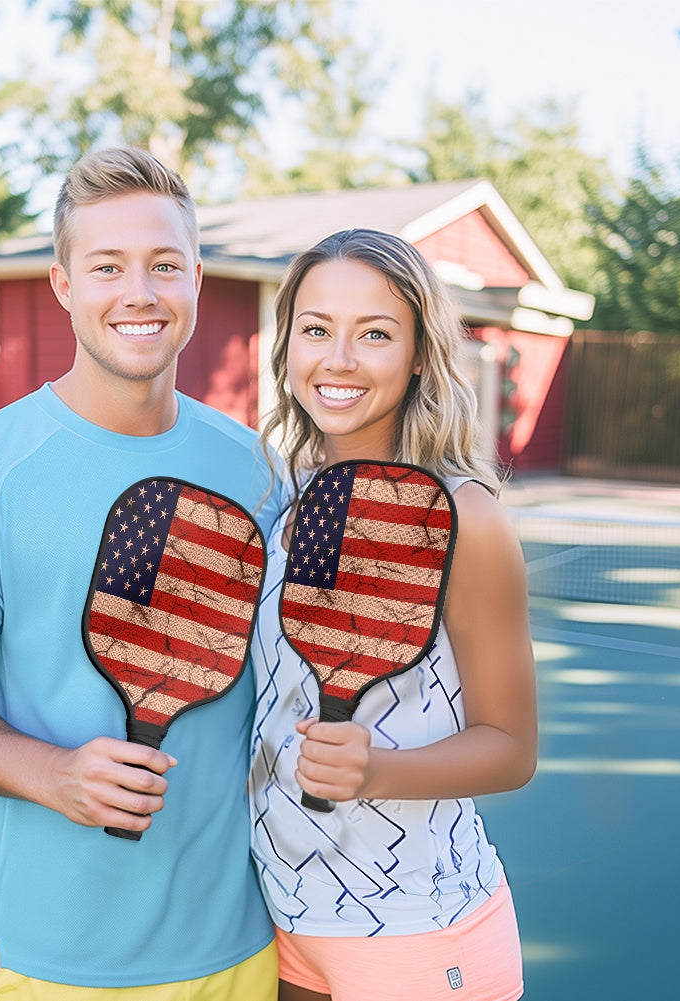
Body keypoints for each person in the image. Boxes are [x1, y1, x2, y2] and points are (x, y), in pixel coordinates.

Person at [0, 146, 281, 999]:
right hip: (57, 964)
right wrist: (51, 774)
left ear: (196, 279)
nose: (140, 292)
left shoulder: (257, 470)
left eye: (164, 265)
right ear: (63, 284)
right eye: (107, 266)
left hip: (247, 948)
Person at [249, 229, 537, 1001]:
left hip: (418, 930)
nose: (337, 358)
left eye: (373, 333)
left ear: (417, 354)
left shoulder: (463, 518)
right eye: (315, 329)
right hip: (280, 925)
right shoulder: (283, 505)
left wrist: (377, 770)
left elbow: (510, 748)